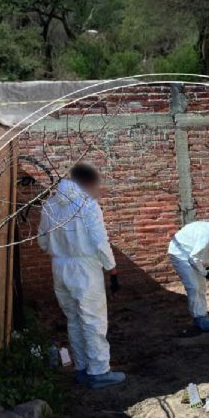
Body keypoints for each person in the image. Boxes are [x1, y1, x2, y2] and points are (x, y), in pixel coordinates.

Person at [38, 164, 125, 390]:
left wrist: (60, 252)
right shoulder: (87, 206)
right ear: (86, 183)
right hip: (85, 267)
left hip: (59, 267)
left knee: (74, 320)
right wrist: (112, 269)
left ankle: (81, 368)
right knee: (93, 320)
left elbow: (42, 242)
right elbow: (99, 242)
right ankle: (99, 371)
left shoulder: (49, 205)